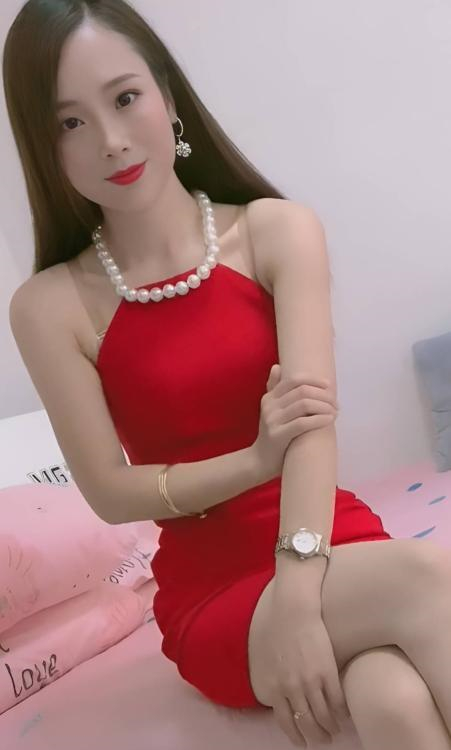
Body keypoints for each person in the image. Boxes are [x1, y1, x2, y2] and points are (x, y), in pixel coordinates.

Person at [4, 2, 451, 748]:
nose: (111, 140)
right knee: (426, 580)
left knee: (393, 700)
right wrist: (253, 460)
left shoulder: (278, 230)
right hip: (213, 593)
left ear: (168, 96)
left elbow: (311, 427)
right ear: (43, 146)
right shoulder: (48, 307)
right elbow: (109, 492)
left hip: (328, 539)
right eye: (70, 123)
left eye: (125, 98)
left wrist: (299, 595)